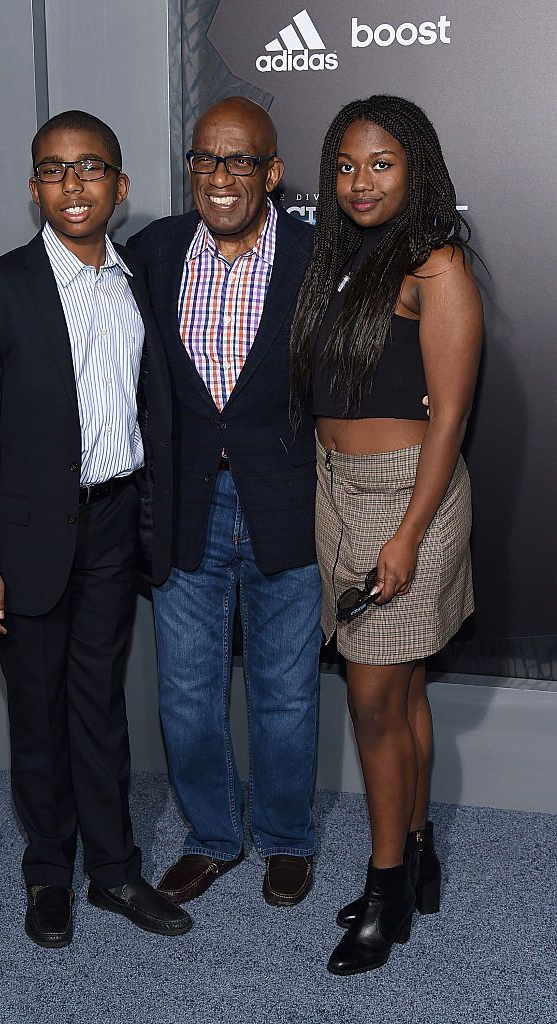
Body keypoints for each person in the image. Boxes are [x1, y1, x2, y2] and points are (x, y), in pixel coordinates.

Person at [0, 109, 191, 947]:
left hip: (117, 523)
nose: (71, 184)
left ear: (120, 188)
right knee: (38, 713)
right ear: (33, 188)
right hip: (28, 539)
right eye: (54, 169)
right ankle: (49, 872)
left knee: (101, 706)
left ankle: (114, 872)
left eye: (89, 169)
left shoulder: (139, 284)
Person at [290, 95, 483, 975]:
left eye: (381, 164)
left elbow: (449, 421)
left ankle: (384, 889)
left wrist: (406, 535)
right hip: (336, 490)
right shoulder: (336, 258)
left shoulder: (435, 265)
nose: (359, 182)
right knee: (400, 696)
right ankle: (419, 854)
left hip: (409, 497)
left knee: (370, 703)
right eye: (345, 166)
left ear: (417, 170)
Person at [127, 97, 322, 907]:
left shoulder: (318, 257)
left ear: (273, 173)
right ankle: (213, 837)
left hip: (290, 507)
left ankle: (284, 839)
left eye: (240, 161)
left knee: (285, 690)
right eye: (205, 159)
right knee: (187, 692)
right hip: (186, 509)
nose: (219, 176)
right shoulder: (153, 251)